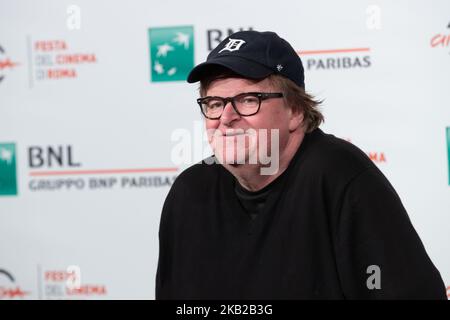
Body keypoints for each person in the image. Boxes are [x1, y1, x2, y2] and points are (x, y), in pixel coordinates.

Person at [155, 30, 446, 299]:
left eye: (247, 99)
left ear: (294, 110)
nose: (226, 117)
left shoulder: (341, 178)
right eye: (215, 103)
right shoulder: (190, 192)